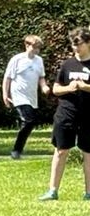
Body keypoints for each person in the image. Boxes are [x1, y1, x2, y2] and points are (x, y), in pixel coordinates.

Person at [38, 26, 90, 201]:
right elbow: (56, 88)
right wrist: (69, 87)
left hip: (88, 114)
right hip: (66, 113)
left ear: (88, 43)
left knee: (88, 153)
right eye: (73, 44)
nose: (75, 48)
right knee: (61, 150)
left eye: (79, 44)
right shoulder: (67, 64)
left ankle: (89, 192)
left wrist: (85, 87)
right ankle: (52, 190)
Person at [2, 35, 50, 159]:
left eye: (39, 48)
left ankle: (18, 149)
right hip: (19, 95)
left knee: (30, 123)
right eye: (35, 47)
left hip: (32, 97)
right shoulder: (17, 59)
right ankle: (16, 151)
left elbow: (41, 77)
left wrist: (44, 87)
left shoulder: (39, 60)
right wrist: (5, 95)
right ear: (27, 45)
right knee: (29, 121)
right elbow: (7, 78)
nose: (37, 50)